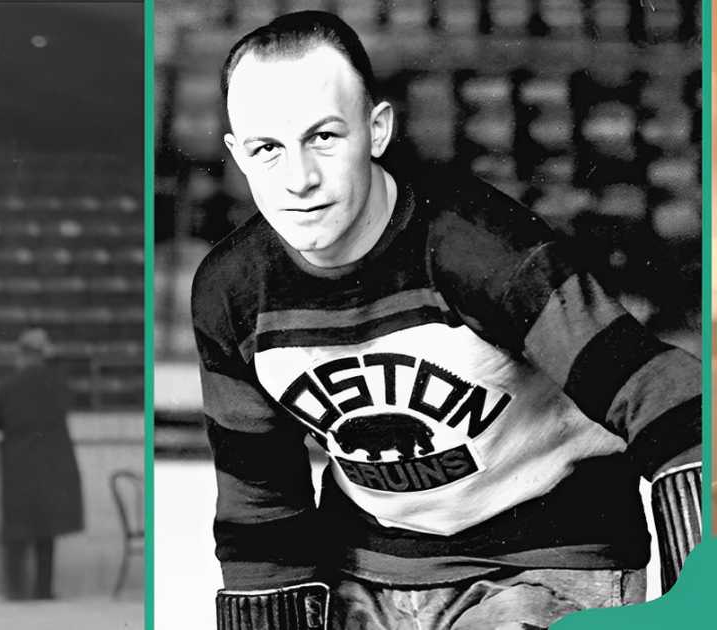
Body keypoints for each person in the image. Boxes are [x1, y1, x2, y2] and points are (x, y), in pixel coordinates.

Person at [191, 11, 701, 630]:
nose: (299, 180)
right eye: (268, 149)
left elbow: (671, 399)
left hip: (541, 562)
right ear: (237, 155)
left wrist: (699, 599)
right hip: (369, 568)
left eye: (323, 137)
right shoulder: (231, 292)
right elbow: (259, 503)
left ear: (376, 130)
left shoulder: (481, 249)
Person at [0, 328, 84, 600]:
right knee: (46, 531)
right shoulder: (56, 383)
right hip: (51, 465)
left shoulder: (9, 386)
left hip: (18, 464)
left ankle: (16, 591)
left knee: (16, 529)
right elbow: (68, 402)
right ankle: (43, 589)